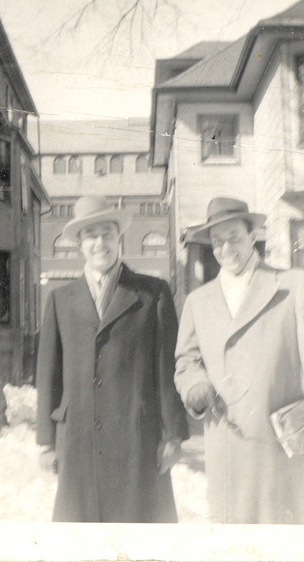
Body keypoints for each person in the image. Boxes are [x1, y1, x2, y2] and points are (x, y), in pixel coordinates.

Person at [36, 195, 189, 522]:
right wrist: (46, 442)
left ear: (119, 238)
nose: (100, 242)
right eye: (91, 235)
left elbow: (167, 370)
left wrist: (173, 435)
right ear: (79, 243)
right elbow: (48, 375)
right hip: (79, 441)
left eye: (107, 233)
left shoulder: (153, 293)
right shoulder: (60, 300)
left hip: (138, 441)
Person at [174, 197, 304, 524]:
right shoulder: (198, 301)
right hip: (226, 445)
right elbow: (186, 360)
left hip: (280, 447)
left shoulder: (293, 285)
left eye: (234, 238)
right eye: (217, 242)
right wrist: (195, 385)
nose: (225, 249)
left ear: (253, 235)